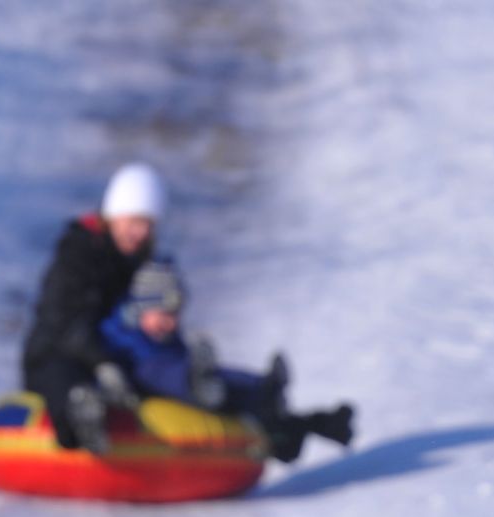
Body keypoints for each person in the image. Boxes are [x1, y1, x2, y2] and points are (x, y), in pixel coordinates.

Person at [96, 256, 355, 464]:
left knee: (220, 379)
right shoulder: (121, 333)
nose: (170, 322)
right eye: (162, 314)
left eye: (175, 314)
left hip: (186, 380)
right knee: (160, 371)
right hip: (145, 379)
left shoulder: (167, 339)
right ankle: (199, 385)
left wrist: (257, 386)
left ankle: (265, 389)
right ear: (141, 307)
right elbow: (105, 359)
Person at [22, 162, 167, 453]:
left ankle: (256, 404)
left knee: (164, 370)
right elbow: (64, 323)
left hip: (114, 356)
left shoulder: (142, 266)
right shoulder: (77, 255)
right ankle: (81, 417)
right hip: (56, 353)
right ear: (114, 215)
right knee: (65, 379)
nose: (140, 233)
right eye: (134, 222)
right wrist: (102, 362)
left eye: (148, 225)